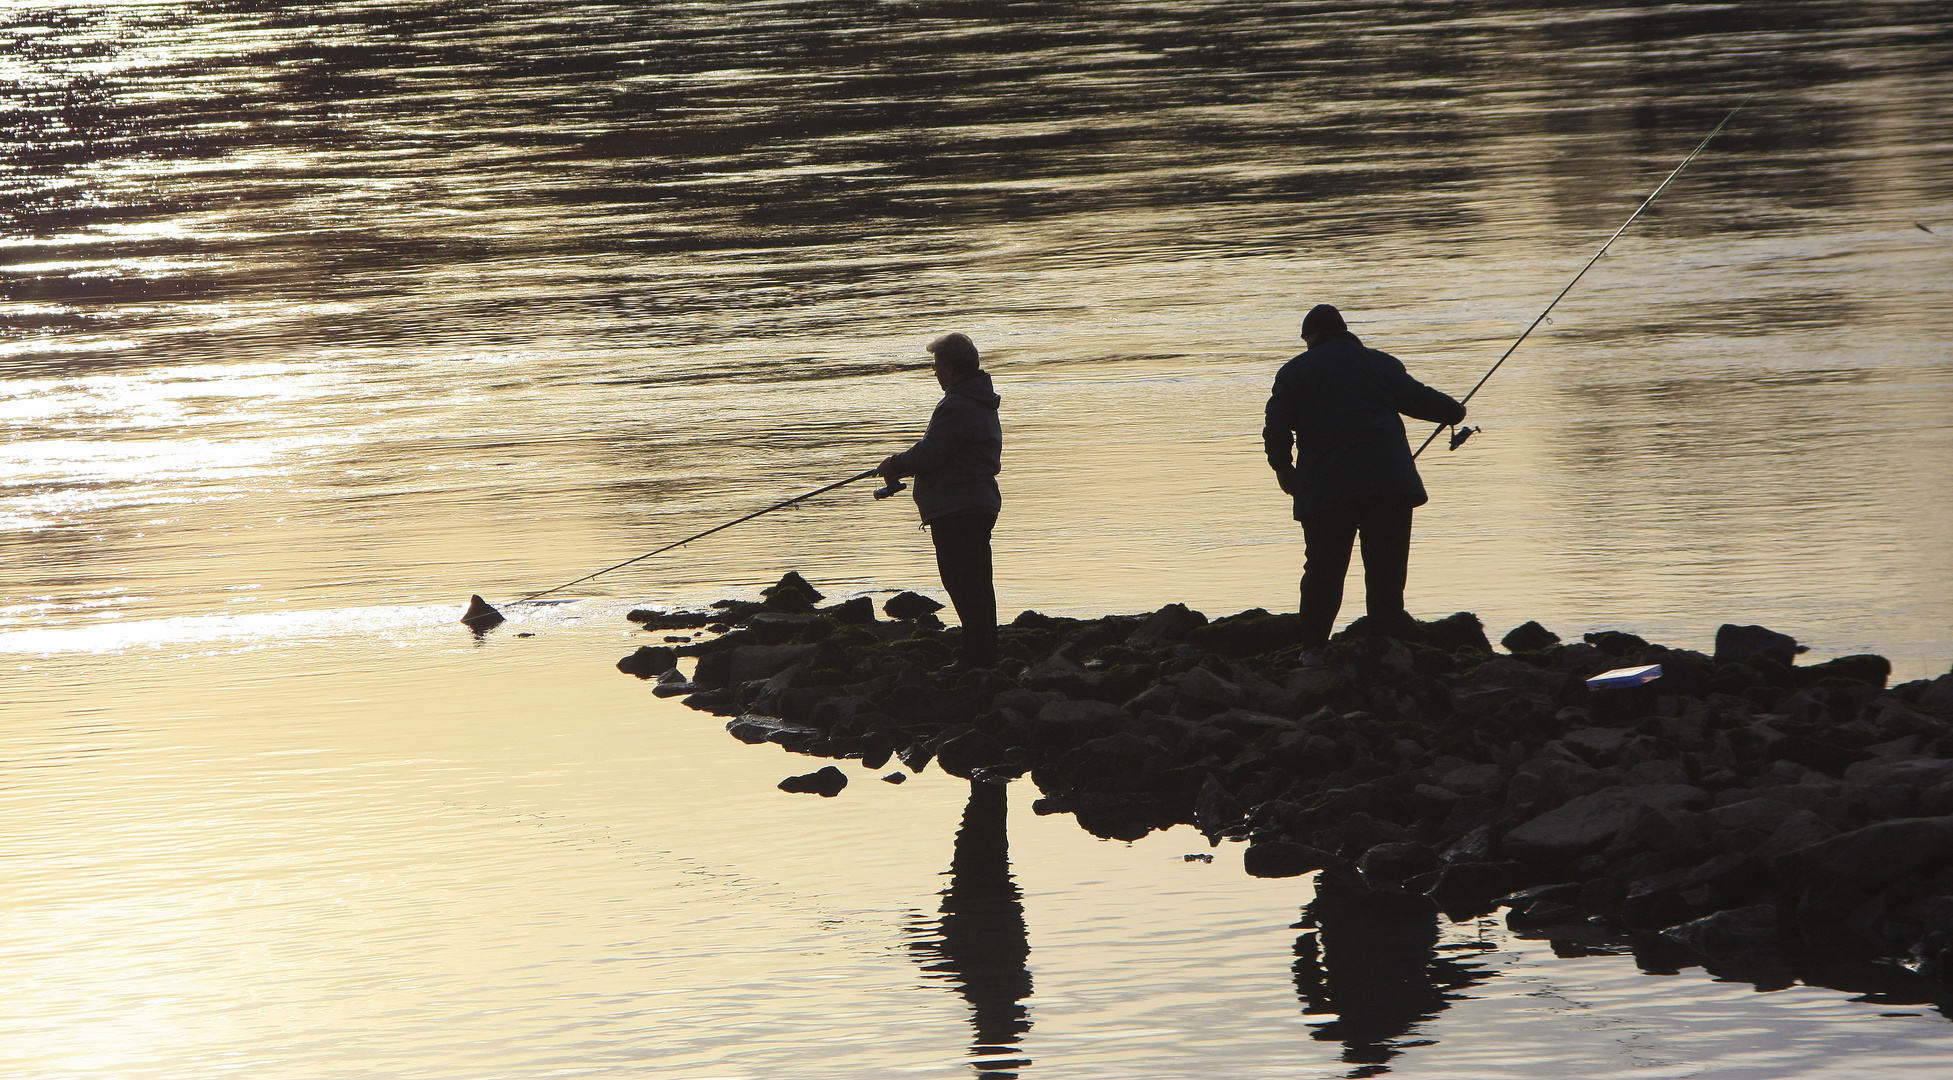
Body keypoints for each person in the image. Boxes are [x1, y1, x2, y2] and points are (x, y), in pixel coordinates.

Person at [1262, 304, 1465, 650]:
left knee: (1324, 574)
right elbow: (1422, 400)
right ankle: (1385, 649)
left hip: (1326, 492)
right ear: (1344, 331)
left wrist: (1283, 467)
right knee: (1386, 574)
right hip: (1389, 486)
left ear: (1309, 338)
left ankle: (1313, 651)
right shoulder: (1380, 363)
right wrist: (1454, 411)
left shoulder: (1293, 372)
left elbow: (1276, 426)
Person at [879, 332, 1003, 671]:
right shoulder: (979, 399)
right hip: (976, 502)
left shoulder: (958, 403)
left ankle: (976, 659)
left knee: (963, 584)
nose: (934, 373)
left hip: (958, 507)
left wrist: (896, 463)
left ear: (949, 368)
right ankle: (983, 654)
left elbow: (931, 452)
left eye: (935, 367)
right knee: (976, 583)